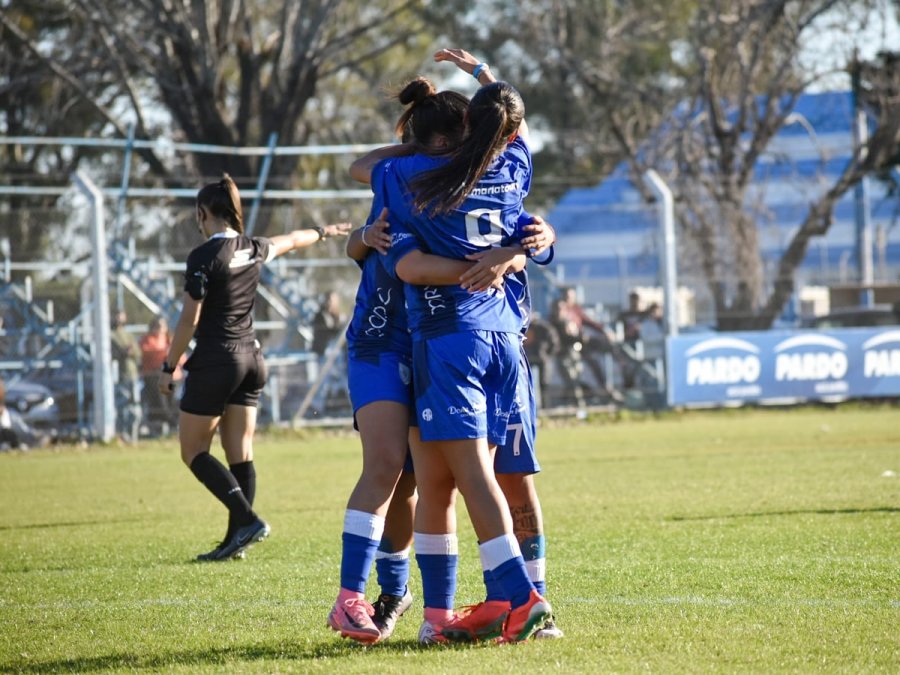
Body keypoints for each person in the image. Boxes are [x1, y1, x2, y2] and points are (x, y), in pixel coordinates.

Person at [330, 75, 525, 644]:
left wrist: (519, 249)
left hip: (433, 340)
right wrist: (366, 235)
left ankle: (432, 614)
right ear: (438, 144)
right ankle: (353, 598)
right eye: (450, 142)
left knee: (426, 482)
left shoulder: (460, 186)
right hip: (382, 340)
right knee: (389, 464)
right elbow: (363, 202)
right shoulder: (412, 180)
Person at [376, 49, 553, 644]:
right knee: (457, 475)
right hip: (507, 334)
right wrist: (484, 76)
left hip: (452, 339)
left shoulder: (412, 177)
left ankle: (517, 596)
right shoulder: (513, 167)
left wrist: (412, 139)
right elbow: (517, 126)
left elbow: (363, 169)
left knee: (469, 476)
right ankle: (451, 615)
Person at [158, 173, 351, 562]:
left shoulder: (203, 257)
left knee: (193, 451)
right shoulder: (253, 247)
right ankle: (236, 541)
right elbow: (293, 239)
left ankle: (246, 520)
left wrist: (168, 364)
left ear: (202, 213)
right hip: (252, 360)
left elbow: (188, 321)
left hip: (217, 361)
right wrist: (325, 231)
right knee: (239, 453)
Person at [550, 286, 623, 402]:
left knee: (595, 359)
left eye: (571, 297)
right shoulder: (559, 310)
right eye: (567, 297)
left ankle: (607, 385)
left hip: (580, 343)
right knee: (572, 376)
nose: (569, 299)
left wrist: (604, 330)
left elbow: (589, 322)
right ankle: (576, 398)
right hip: (567, 348)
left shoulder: (576, 310)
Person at [110, 310, 141, 438]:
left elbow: (138, 353)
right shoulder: (110, 335)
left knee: (135, 406)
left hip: (133, 375)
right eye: (116, 316)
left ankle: (133, 435)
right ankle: (121, 435)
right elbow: (113, 353)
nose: (119, 319)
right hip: (119, 376)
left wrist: (130, 351)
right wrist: (123, 352)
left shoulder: (129, 335)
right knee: (121, 405)